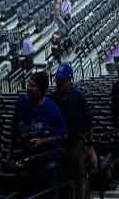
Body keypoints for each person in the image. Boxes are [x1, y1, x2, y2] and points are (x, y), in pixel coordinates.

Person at [14, 71, 67, 198]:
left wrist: (42, 141)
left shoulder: (52, 109)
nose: (29, 88)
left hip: (47, 166)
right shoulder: (21, 105)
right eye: (28, 85)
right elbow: (14, 132)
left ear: (41, 89)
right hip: (27, 165)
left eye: (33, 86)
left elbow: (63, 135)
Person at [53, 64, 94, 199]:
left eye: (62, 81)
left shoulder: (79, 98)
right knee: (64, 181)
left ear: (70, 80)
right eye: (58, 81)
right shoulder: (53, 99)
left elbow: (88, 124)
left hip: (77, 144)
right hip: (59, 146)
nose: (60, 84)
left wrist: (90, 148)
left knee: (80, 178)